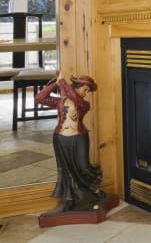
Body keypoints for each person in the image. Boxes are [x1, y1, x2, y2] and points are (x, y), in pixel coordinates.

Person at [36, 72, 104, 211]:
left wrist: (62, 83)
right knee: (65, 170)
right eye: (85, 89)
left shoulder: (84, 104)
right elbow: (39, 98)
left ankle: (94, 189)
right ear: (77, 86)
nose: (86, 93)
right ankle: (69, 198)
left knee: (84, 167)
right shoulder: (60, 101)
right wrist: (55, 83)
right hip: (60, 138)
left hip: (79, 138)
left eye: (88, 91)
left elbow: (76, 99)